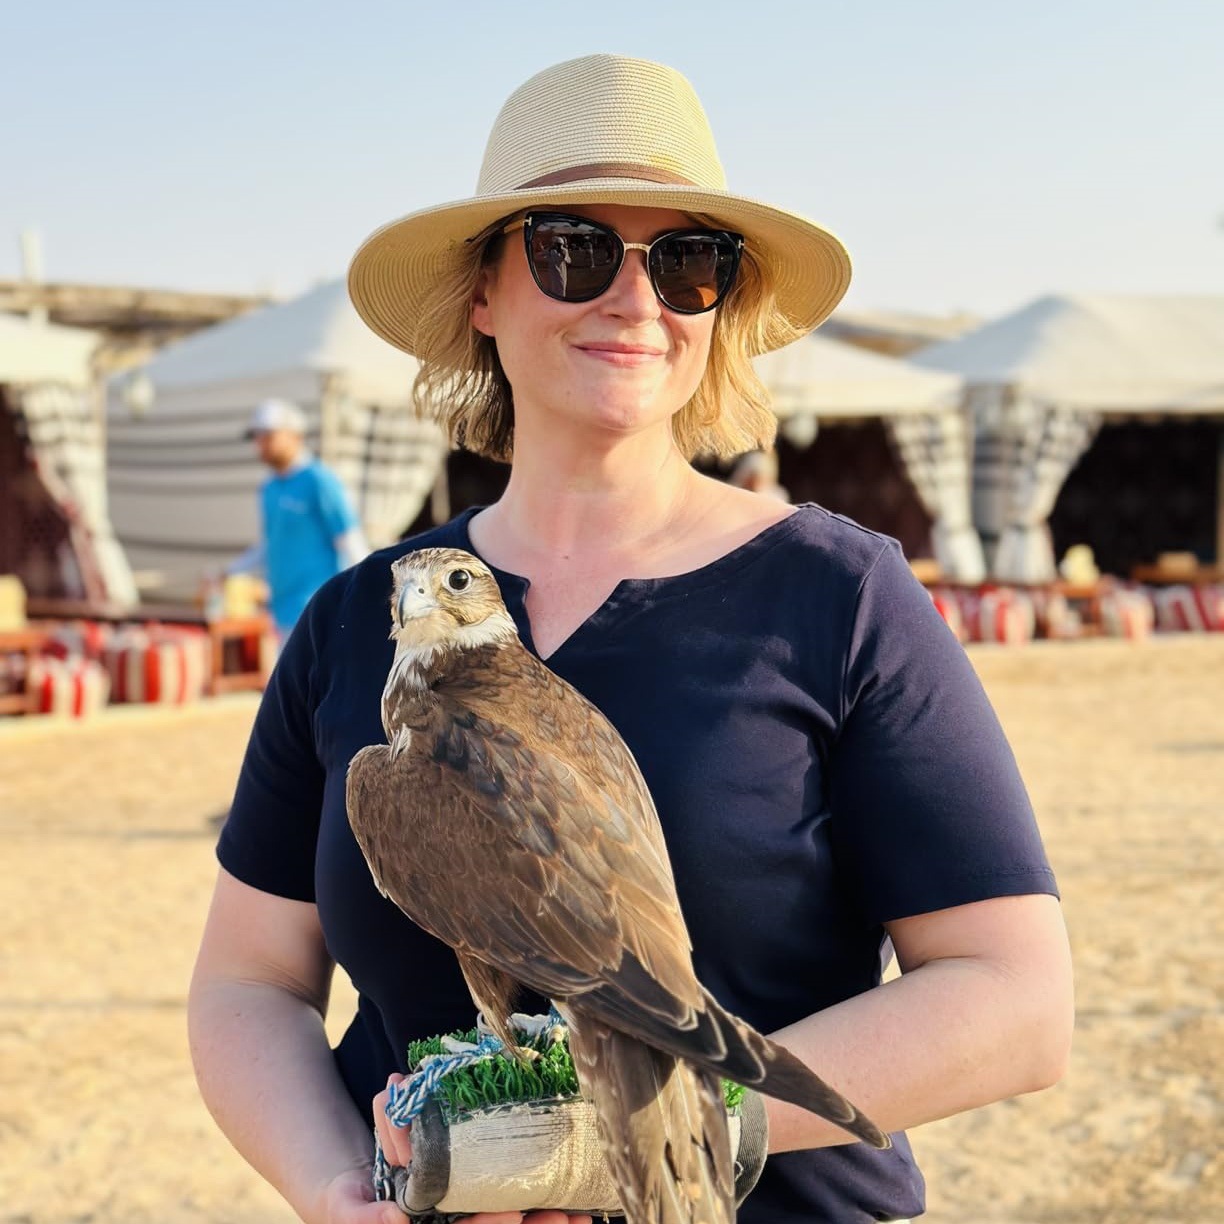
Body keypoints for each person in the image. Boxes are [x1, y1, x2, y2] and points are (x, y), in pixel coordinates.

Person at [189, 55, 1073, 1224]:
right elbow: (249, 985)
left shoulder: (839, 595)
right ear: (483, 293)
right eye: (574, 248)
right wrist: (332, 1186)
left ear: (723, 305)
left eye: (690, 262)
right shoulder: (357, 618)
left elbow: (1016, 999)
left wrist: (676, 1136)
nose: (636, 298)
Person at [227, 397, 367, 638]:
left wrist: (368, 593)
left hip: (317, 611)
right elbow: (269, 544)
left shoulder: (319, 480)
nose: (261, 445)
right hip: (280, 612)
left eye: (268, 436)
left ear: (295, 436)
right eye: (257, 438)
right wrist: (230, 572)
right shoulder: (269, 488)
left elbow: (349, 539)